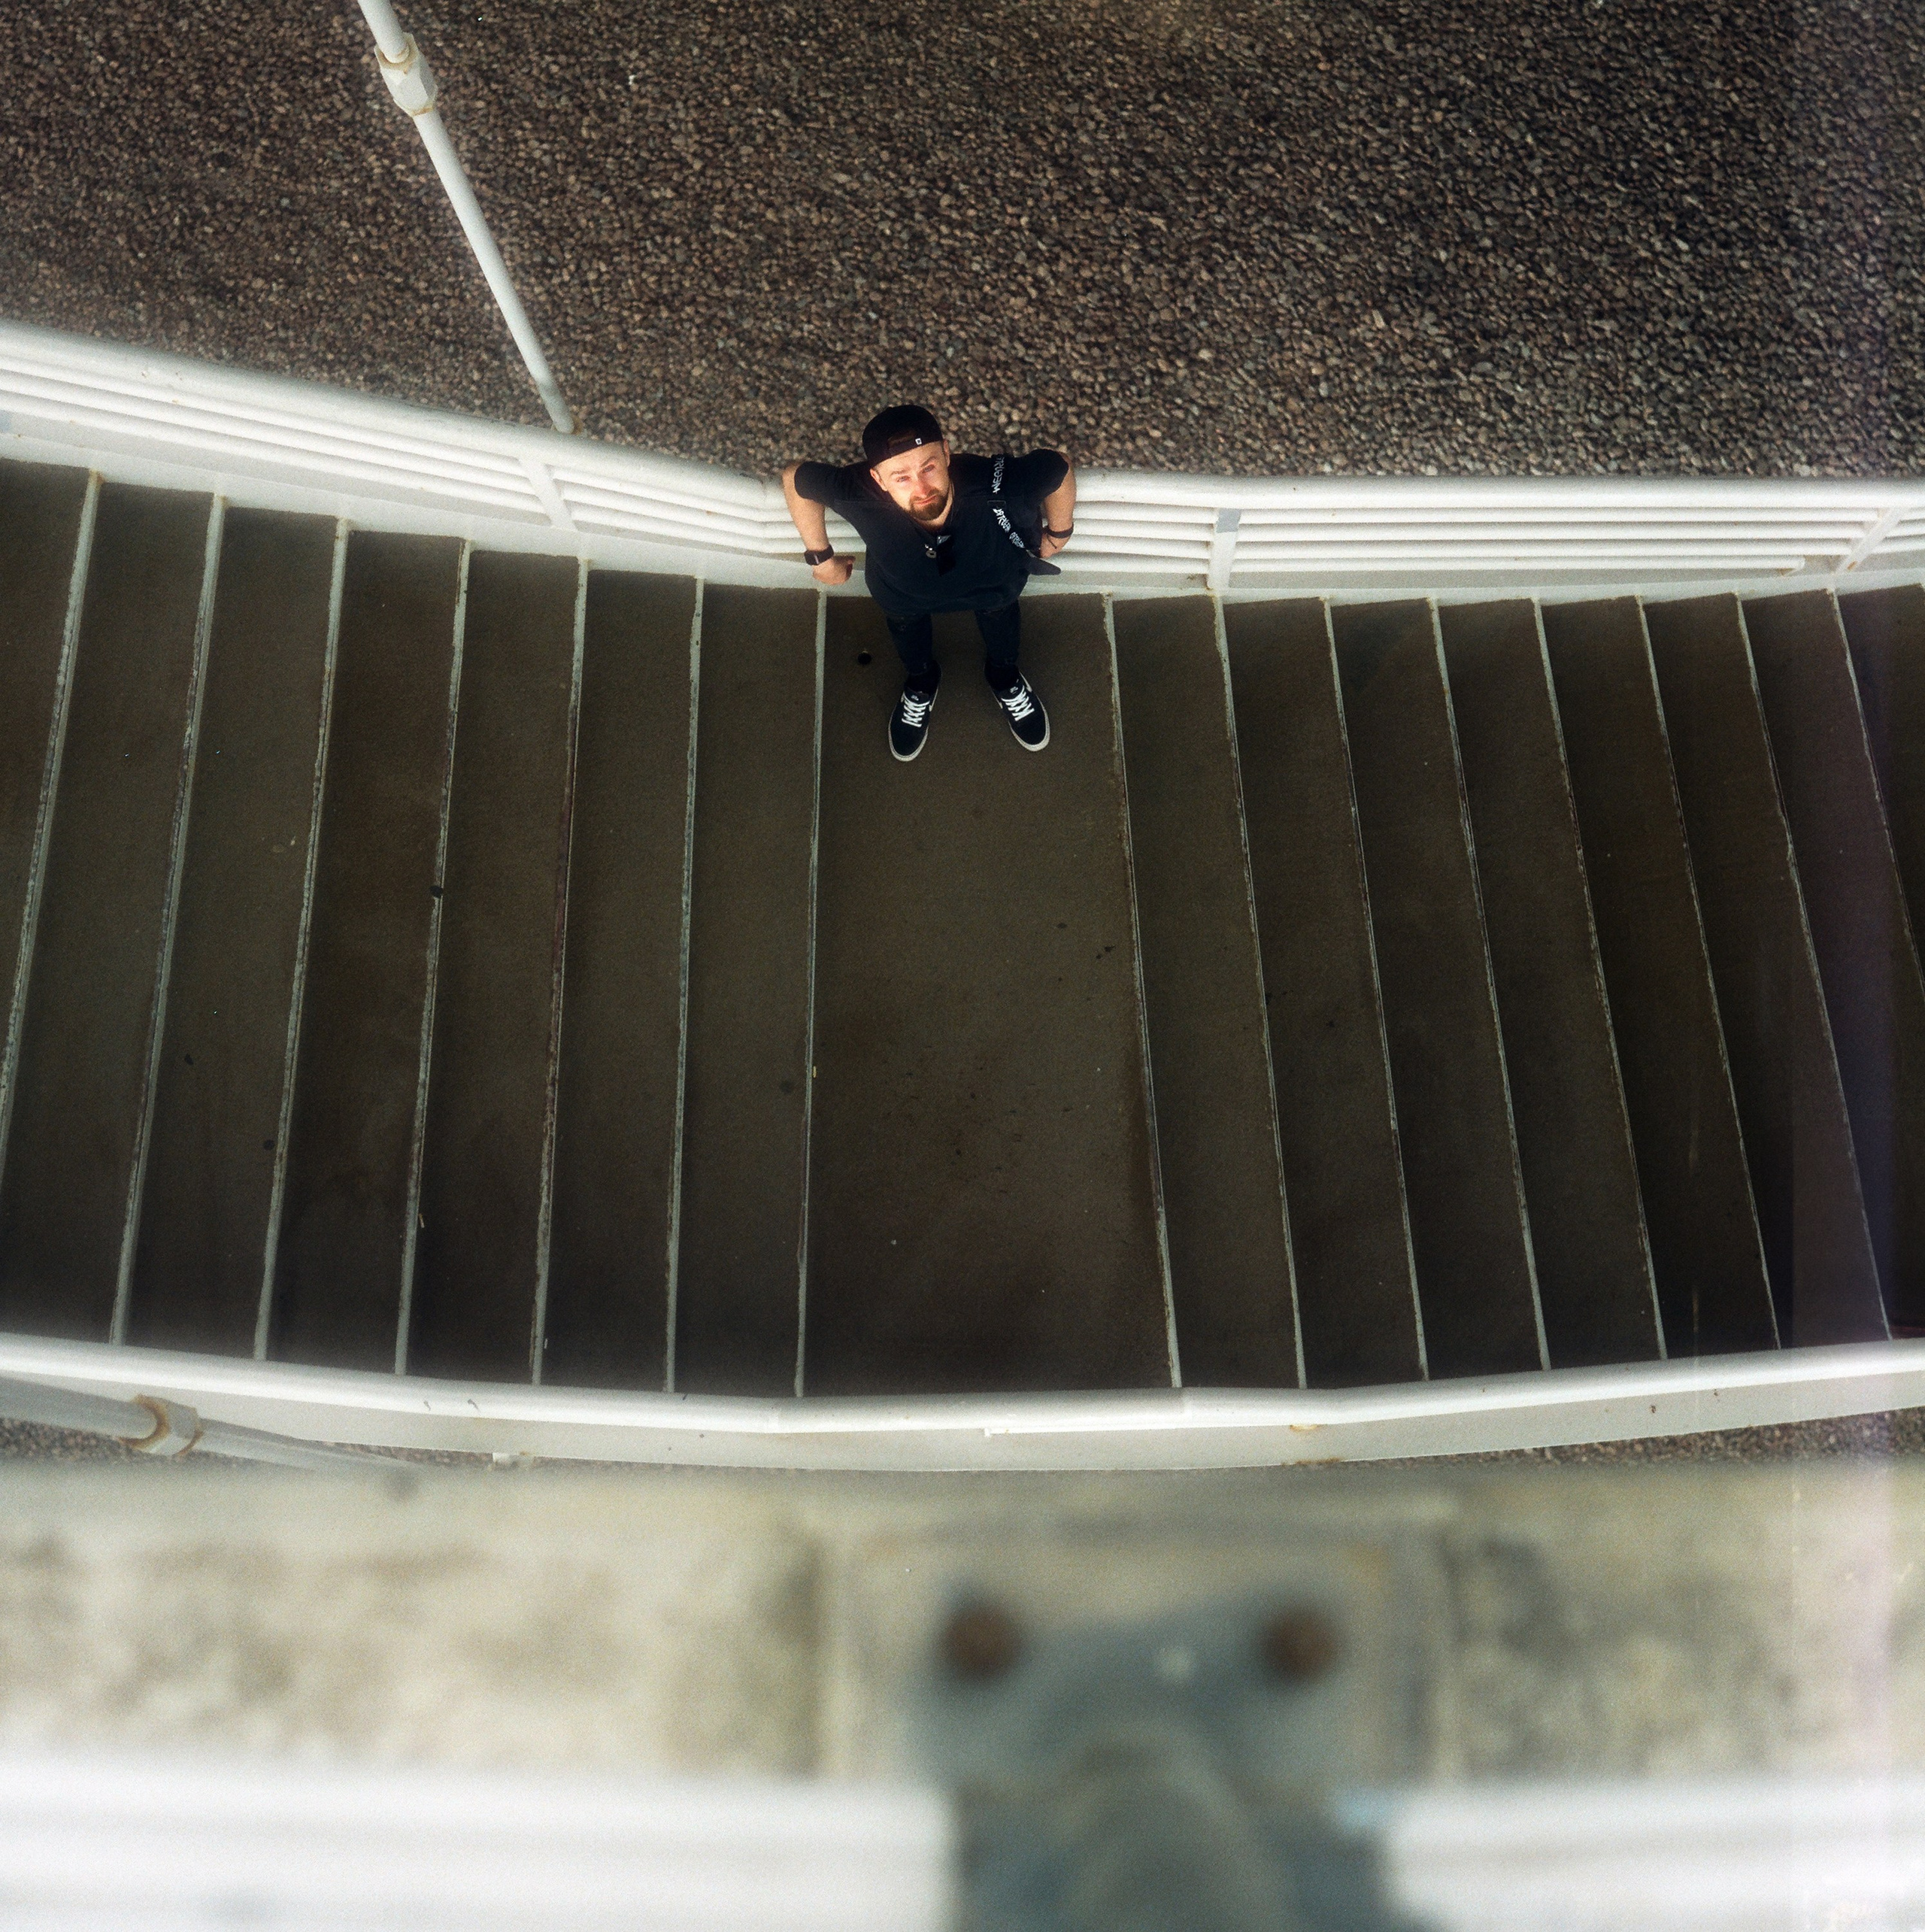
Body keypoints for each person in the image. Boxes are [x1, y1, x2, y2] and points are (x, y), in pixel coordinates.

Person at [781, 405, 1076, 761]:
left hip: (994, 589)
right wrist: (821, 558)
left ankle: (1005, 676)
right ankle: (921, 682)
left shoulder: (999, 482)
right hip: (904, 599)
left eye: (929, 466)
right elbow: (795, 479)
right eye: (901, 477)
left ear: (947, 454)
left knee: (1002, 627)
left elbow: (1059, 466)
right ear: (877, 479)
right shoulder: (857, 493)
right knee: (909, 640)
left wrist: (1060, 533)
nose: (921, 489)